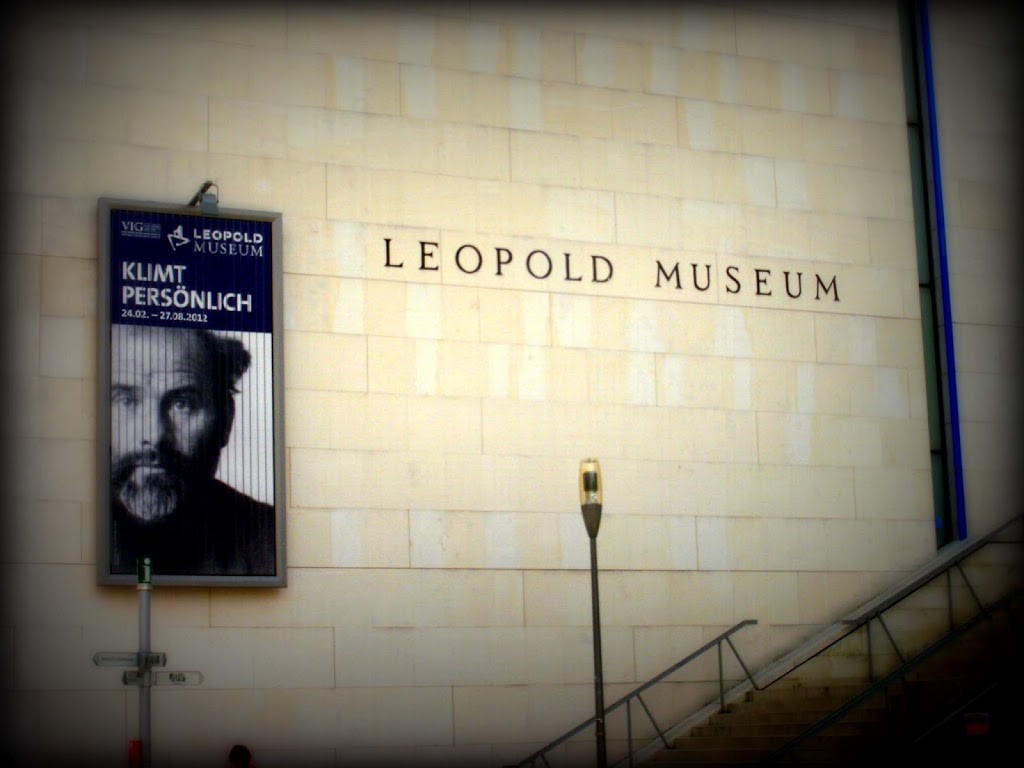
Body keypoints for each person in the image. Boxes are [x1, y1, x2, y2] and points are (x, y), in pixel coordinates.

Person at [109, 324, 275, 576]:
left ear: (226, 420)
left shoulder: (268, 542)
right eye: (125, 401)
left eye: (182, 404)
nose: (153, 436)